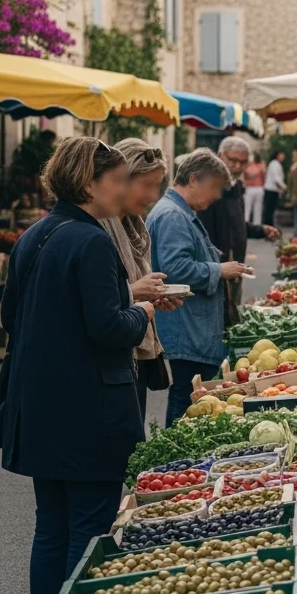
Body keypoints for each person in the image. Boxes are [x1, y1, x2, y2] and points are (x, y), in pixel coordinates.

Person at [0, 137, 155, 594]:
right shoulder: (93, 240)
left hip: (37, 406)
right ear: (88, 183)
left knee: (52, 527)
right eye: (117, 181)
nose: (123, 191)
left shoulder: (34, 236)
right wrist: (140, 311)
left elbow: (14, 316)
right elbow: (108, 328)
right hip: (89, 410)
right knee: (89, 525)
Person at [147, 148, 252, 427]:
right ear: (193, 179)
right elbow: (175, 268)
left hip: (193, 329)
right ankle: (171, 461)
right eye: (214, 187)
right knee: (186, 401)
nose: (217, 196)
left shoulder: (181, 212)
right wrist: (220, 269)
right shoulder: (172, 215)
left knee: (190, 398)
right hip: (186, 330)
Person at [100, 139, 181, 421]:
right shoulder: (96, 232)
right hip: (112, 360)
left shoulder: (136, 228)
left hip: (137, 350)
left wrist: (153, 296)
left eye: (157, 185)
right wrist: (134, 291)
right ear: (121, 180)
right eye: (147, 185)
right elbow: (97, 299)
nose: (153, 195)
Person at [198, 137, 279, 315]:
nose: (237, 166)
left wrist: (261, 230)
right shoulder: (210, 190)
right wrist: (216, 268)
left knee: (233, 313)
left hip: (235, 269)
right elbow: (202, 233)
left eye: (243, 162)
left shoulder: (235, 187)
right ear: (219, 156)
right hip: (217, 271)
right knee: (220, 317)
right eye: (232, 160)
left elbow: (237, 224)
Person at [263, 148, 286, 226]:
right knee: (269, 210)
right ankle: (268, 225)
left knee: (270, 210)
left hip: (273, 190)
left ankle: (269, 225)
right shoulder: (274, 164)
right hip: (271, 190)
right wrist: (284, 187)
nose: (283, 156)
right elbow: (277, 179)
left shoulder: (276, 164)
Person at [243, 151, 266, 225]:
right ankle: (251, 223)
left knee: (253, 207)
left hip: (254, 187)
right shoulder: (258, 165)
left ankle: (253, 224)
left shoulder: (257, 165)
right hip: (254, 187)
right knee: (252, 207)